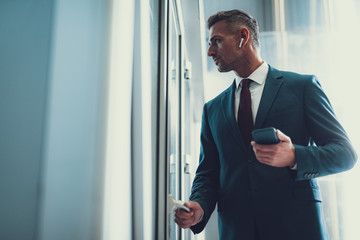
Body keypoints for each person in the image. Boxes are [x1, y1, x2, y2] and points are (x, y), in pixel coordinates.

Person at [174, 9, 357, 240]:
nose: (210, 51)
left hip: (296, 229)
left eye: (216, 41)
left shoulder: (302, 88)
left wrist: (294, 156)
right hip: (237, 231)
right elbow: (208, 172)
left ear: (243, 37)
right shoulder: (212, 109)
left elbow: (345, 154)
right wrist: (199, 205)